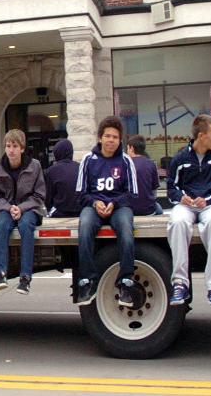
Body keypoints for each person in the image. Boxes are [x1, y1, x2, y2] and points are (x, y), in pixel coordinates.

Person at [165, 115, 211, 307]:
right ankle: (179, 283)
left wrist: (208, 200)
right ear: (201, 135)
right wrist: (181, 197)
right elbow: (171, 187)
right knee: (178, 222)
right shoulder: (180, 158)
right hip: (186, 206)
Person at [74, 116, 139, 307]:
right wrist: (94, 203)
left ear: (120, 140)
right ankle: (87, 280)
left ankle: (126, 282)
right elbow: (80, 193)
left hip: (118, 207)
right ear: (100, 138)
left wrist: (115, 204)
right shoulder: (88, 159)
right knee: (84, 226)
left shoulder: (126, 161)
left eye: (115, 137)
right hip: (94, 206)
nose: (111, 140)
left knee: (127, 230)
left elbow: (133, 193)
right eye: (107, 136)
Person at [0, 129, 45, 294]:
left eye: (14, 146)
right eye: (8, 146)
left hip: (29, 208)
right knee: (3, 224)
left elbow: (39, 194)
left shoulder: (34, 166)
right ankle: (0, 274)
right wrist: (9, 207)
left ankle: (25, 278)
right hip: (5, 208)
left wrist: (21, 208)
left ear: (22, 148)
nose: (11, 149)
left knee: (26, 225)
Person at [126, 135, 163, 216]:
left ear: (131, 148)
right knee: (159, 209)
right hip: (149, 210)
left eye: (127, 148)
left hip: (129, 210)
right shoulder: (151, 164)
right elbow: (154, 190)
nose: (127, 151)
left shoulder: (125, 163)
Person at [43, 139, 81, 218]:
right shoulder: (81, 167)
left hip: (59, 211)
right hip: (80, 211)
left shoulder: (51, 171)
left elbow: (48, 197)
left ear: (57, 153)